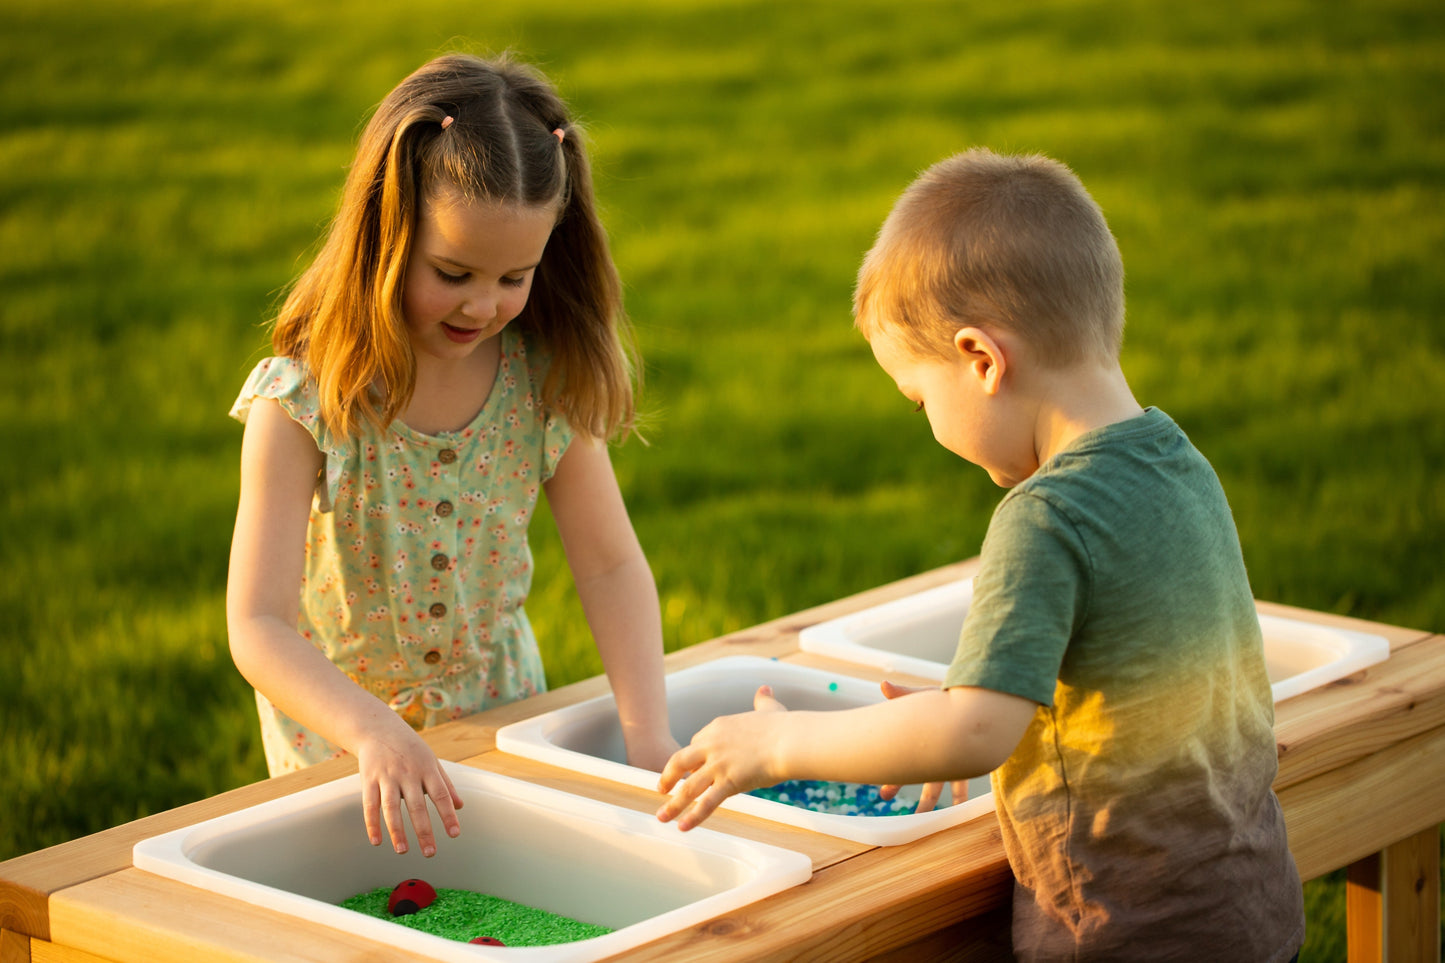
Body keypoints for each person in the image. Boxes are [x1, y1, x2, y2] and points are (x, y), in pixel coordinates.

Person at [657, 149, 1305, 961]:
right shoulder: (1178, 464)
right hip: (1248, 909)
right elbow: (1143, 662)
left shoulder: (1044, 514)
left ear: (981, 359)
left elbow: (971, 733)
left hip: (1122, 931)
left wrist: (776, 744)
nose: (926, 425)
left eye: (920, 397)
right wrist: (954, 703)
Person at [227, 53, 675, 861]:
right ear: (384, 234)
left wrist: (648, 736)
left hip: (500, 718)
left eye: (516, 276)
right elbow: (257, 624)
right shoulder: (302, 402)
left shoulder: (538, 380)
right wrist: (374, 733)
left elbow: (609, 566)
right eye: (452, 272)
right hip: (341, 751)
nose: (483, 304)